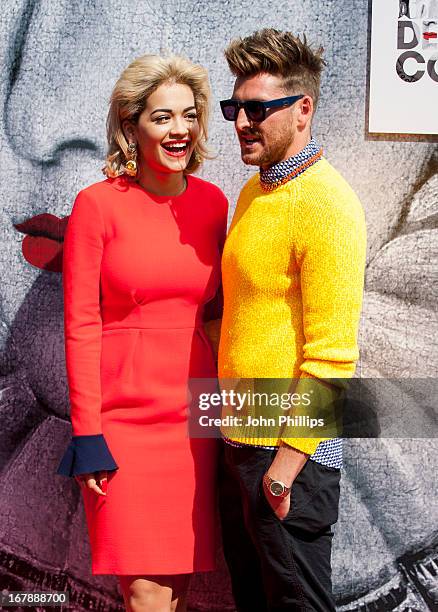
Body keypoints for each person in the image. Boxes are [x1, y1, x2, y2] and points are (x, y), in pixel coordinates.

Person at [55, 53, 228, 612]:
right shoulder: (97, 206)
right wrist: (87, 435)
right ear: (131, 125)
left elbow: (217, 314)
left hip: (192, 427)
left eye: (189, 115)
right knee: (145, 593)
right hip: (123, 428)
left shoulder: (213, 204)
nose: (179, 130)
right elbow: (80, 325)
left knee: (175, 589)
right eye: (161, 117)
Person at [217, 29, 366, 611]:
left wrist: (283, 469)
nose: (241, 123)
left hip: (287, 457)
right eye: (236, 108)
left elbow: (333, 358)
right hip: (240, 439)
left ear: (303, 110)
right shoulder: (253, 192)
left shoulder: (327, 204)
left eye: (257, 109)